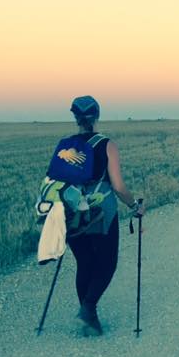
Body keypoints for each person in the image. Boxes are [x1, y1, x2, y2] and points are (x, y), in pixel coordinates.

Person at [63, 95, 145, 336]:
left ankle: (89, 317)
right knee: (107, 263)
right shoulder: (106, 145)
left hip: (72, 211)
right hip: (102, 212)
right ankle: (88, 309)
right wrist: (134, 206)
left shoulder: (66, 145)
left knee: (85, 263)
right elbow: (118, 186)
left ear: (75, 117)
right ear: (97, 116)